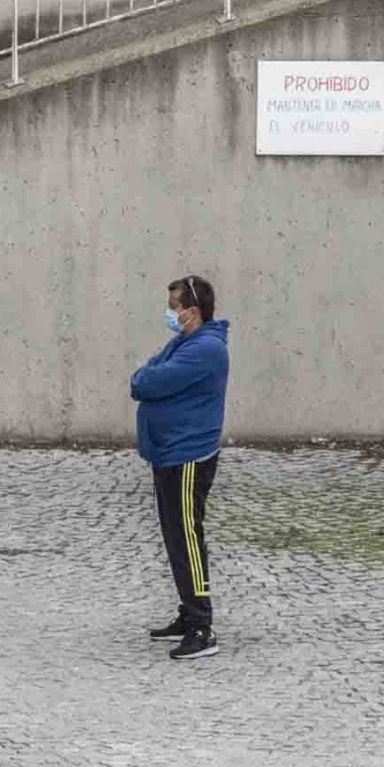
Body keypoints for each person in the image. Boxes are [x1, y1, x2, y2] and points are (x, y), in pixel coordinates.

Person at [130, 274, 231, 663]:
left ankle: (202, 627)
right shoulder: (185, 342)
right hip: (170, 453)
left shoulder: (203, 350)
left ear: (192, 310)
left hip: (187, 456)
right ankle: (189, 614)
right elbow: (148, 373)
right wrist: (144, 377)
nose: (170, 313)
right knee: (176, 537)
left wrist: (144, 379)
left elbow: (148, 382)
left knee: (186, 537)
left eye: (174, 307)